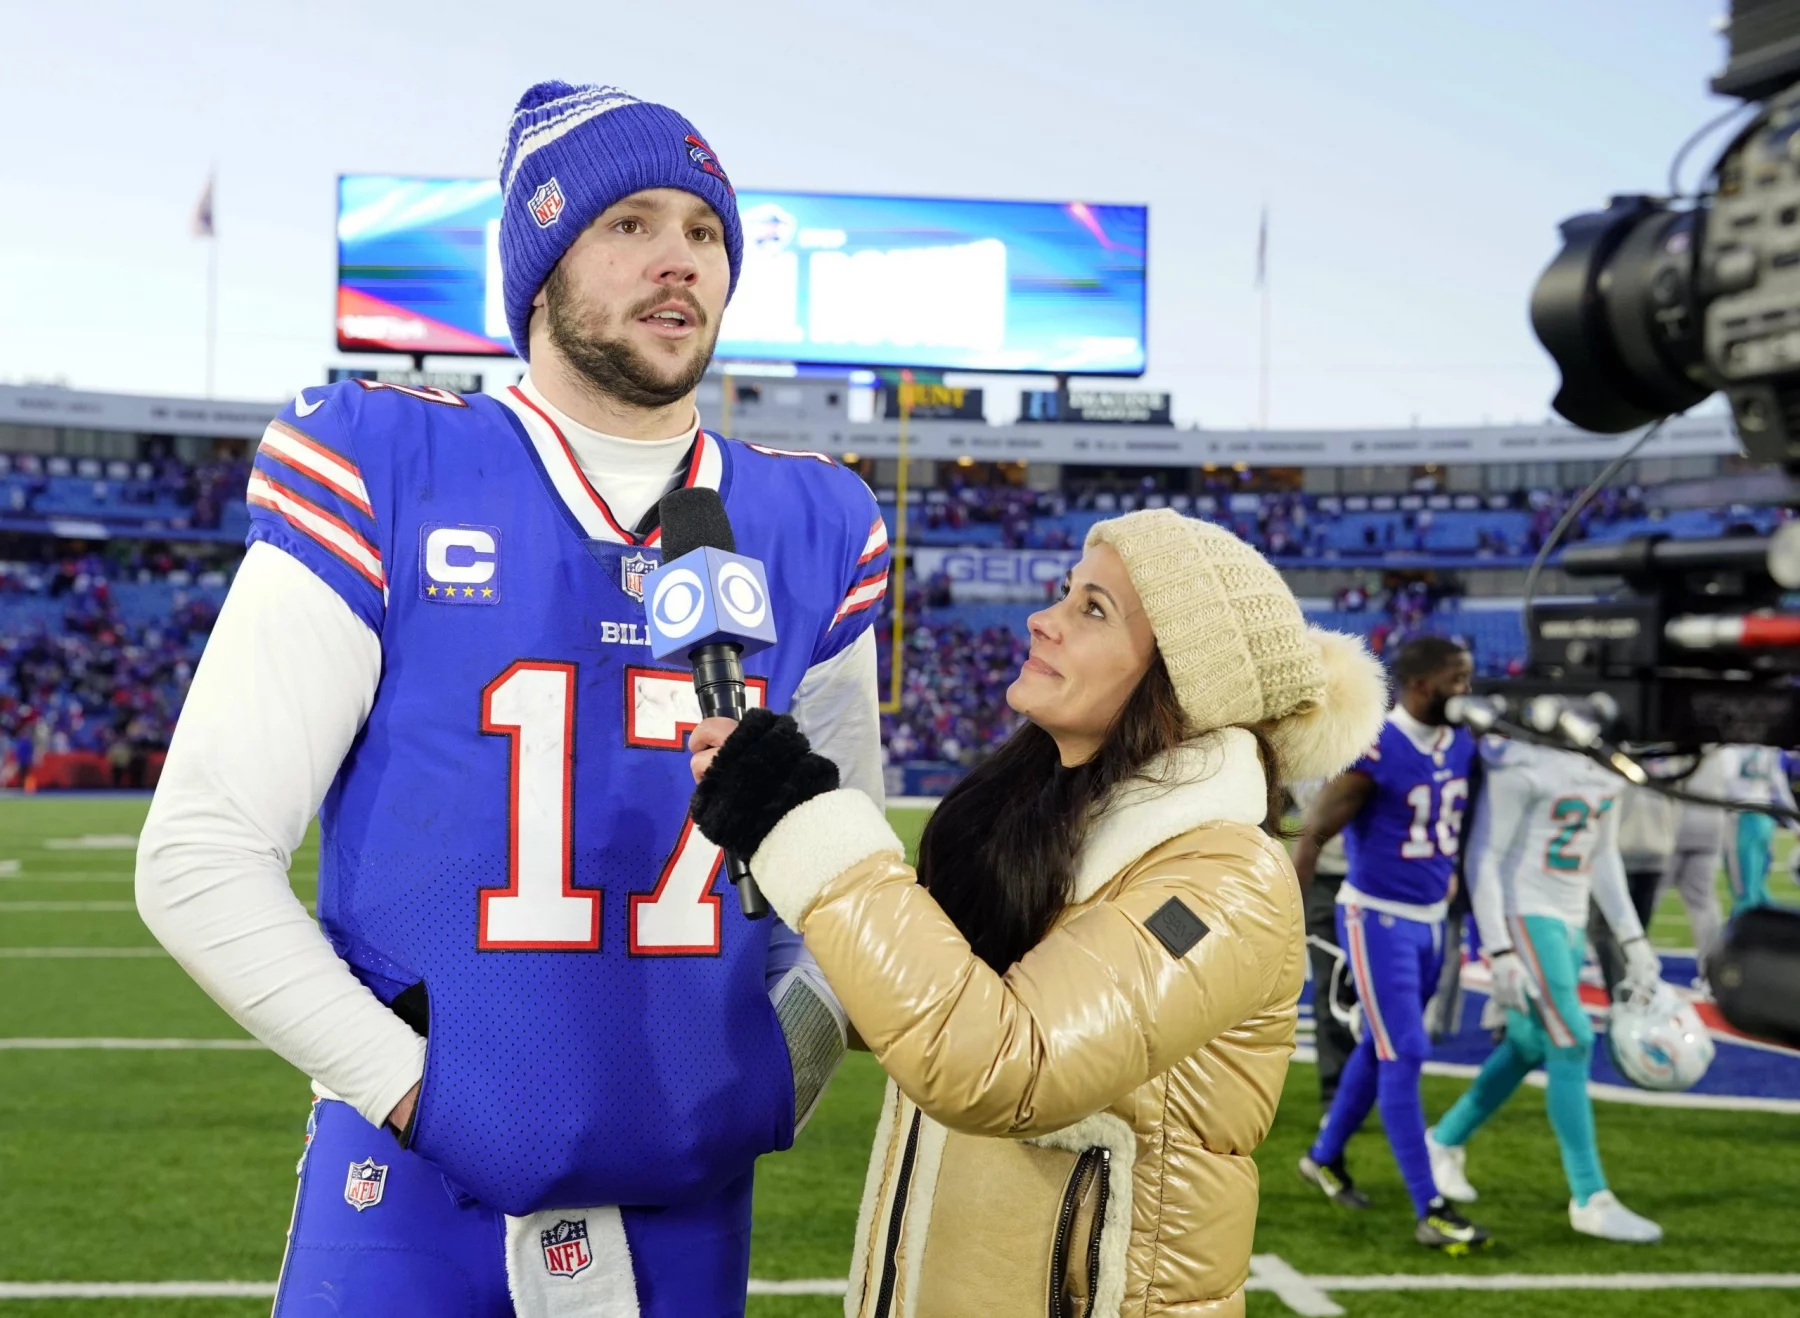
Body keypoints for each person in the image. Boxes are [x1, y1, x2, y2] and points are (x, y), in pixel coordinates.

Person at [136, 81, 888, 1318]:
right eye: (630, 223)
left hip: (689, 1193)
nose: (680, 259)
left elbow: (850, 876)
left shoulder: (815, 521)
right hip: (414, 1186)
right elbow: (198, 856)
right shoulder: (387, 461)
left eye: (706, 232)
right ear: (539, 270)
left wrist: (788, 1064)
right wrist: (416, 1090)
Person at [688, 510, 1389, 1317]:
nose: (1041, 619)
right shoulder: (1053, 827)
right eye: (1065, 592)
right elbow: (927, 1003)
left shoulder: (1225, 884)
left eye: (1093, 609)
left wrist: (811, 834)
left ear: (1186, 678)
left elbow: (1004, 1067)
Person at [1293, 636, 1491, 1252]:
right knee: (1404, 1051)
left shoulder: (1462, 742)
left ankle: (1323, 1156)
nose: (1467, 690)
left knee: (1378, 1046)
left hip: (1431, 919)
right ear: (1421, 685)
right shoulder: (1377, 747)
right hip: (1377, 919)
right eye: (1457, 679)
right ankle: (1431, 1207)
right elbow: (1312, 834)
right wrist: (1285, 920)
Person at [1426, 739, 1664, 1242]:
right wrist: (1498, 948)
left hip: (1569, 917)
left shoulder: (1609, 761)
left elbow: (1602, 854)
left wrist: (1632, 937)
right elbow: (1484, 855)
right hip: (1526, 911)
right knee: (1572, 1039)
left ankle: (1443, 1140)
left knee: (1530, 1043)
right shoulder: (1523, 759)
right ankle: (1590, 1196)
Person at [1589, 780, 1675, 999]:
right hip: (1654, 849)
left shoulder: (1613, 773)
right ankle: (1634, 994)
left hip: (1620, 850)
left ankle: (1626, 996)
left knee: (1609, 931)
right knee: (1632, 932)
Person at [1721, 744, 1797, 915]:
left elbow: (1725, 780)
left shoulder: (1732, 749)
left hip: (1741, 819)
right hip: (1764, 819)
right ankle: (1773, 928)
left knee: (1744, 893)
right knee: (1758, 890)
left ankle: (1743, 931)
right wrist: (1795, 824)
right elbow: (1779, 789)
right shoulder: (1769, 749)